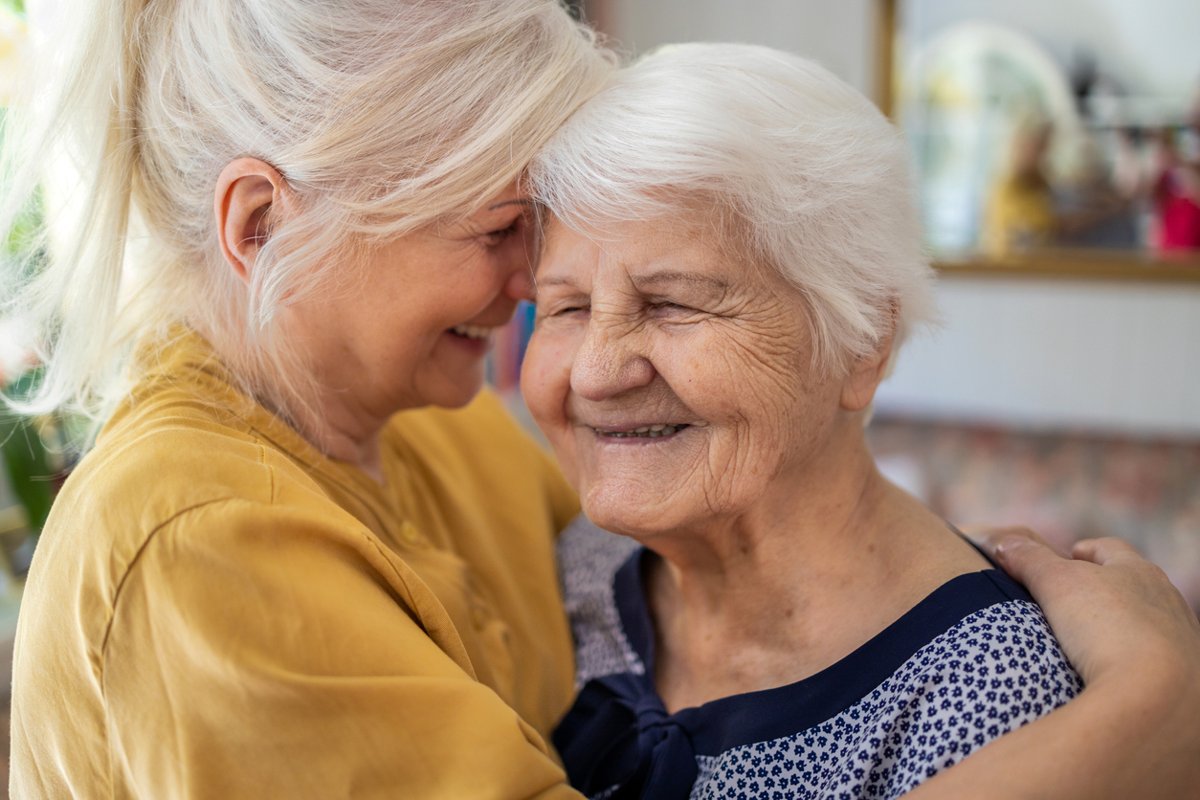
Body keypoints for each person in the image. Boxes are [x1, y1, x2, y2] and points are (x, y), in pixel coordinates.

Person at [1, 2, 1197, 797]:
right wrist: (1148, 716)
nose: (558, 331)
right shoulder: (196, 540)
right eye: (503, 237)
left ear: (863, 337)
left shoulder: (447, 424)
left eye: (674, 299)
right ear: (261, 226)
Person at [523, 42, 1200, 799]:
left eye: (673, 302)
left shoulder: (998, 694)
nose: (594, 371)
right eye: (567, 308)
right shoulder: (568, 567)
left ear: (862, 344)